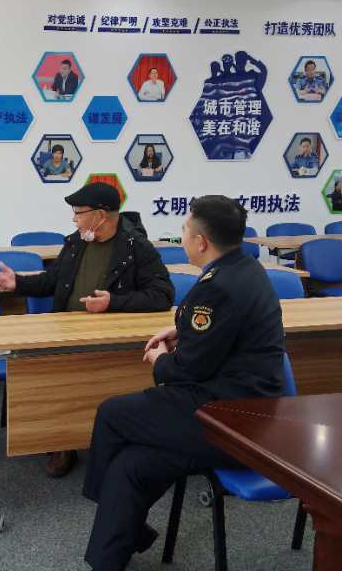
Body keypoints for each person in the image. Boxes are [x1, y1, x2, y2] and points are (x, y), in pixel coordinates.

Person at [81, 195, 286, 571]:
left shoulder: (217, 286)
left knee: (111, 414)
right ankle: (113, 551)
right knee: (131, 464)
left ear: (201, 242)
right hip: (251, 410)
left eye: (185, 230)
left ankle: (101, 499)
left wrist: (160, 360)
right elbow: (220, 329)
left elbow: (186, 369)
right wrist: (182, 330)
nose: (183, 236)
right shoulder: (245, 268)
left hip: (227, 420)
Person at [0, 182, 174, 478]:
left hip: (109, 337)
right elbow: (52, 280)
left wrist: (113, 302)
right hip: (65, 330)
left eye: (79, 213)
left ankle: (108, 438)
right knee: (55, 382)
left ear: (100, 216)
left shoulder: (136, 247)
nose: (74, 219)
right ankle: (62, 443)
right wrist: (18, 283)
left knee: (103, 386)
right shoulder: (77, 242)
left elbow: (162, 294)